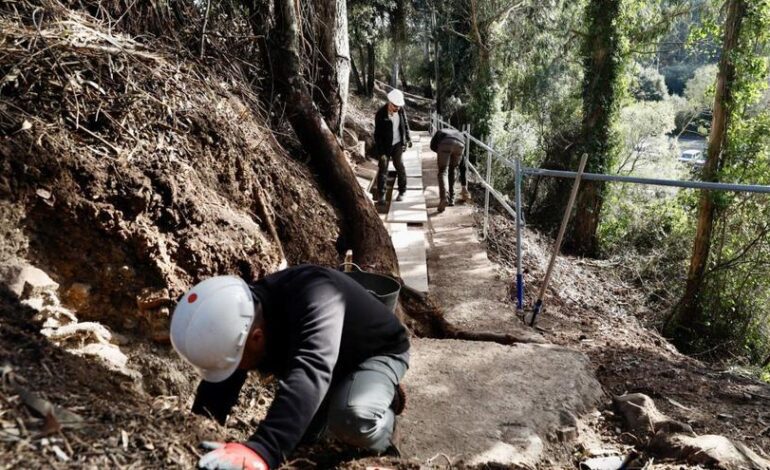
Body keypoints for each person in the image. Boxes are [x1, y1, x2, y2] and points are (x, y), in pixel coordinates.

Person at [170, 265, 410, 470]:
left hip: (375, 353)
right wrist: (198, 433)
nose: (233, 371)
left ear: (257, 337)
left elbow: (311, 367)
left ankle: (384, 431)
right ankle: (341, 398)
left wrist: (263, 450)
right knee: (302, 451)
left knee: (353, 418)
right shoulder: (242, 316)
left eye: (235, 364)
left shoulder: (317, 293)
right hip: (326, 362)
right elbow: (221, 383)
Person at [373, 89, 412, 205]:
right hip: (385, 145)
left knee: (399, 165)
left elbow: (405, 124)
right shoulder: (380, 114)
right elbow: (377, 135)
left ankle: (402, 191)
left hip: (398, 143)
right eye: (395, 106)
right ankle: (381, 195)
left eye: (399, 107)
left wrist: (408, 139)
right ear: (389, 102)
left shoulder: (401, 111)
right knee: (383, 168)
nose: (397, 109)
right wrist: (381, 152)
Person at [429, 127, 467, 212]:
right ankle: (451, 199)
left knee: (443, 171)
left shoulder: (440, 132)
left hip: (445, 144)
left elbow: (432, 146)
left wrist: (441, 153)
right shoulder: (459, 134)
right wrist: (464, 185)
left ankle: (444, 198)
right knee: (452, 170)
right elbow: (462, 165)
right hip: (460, 145)